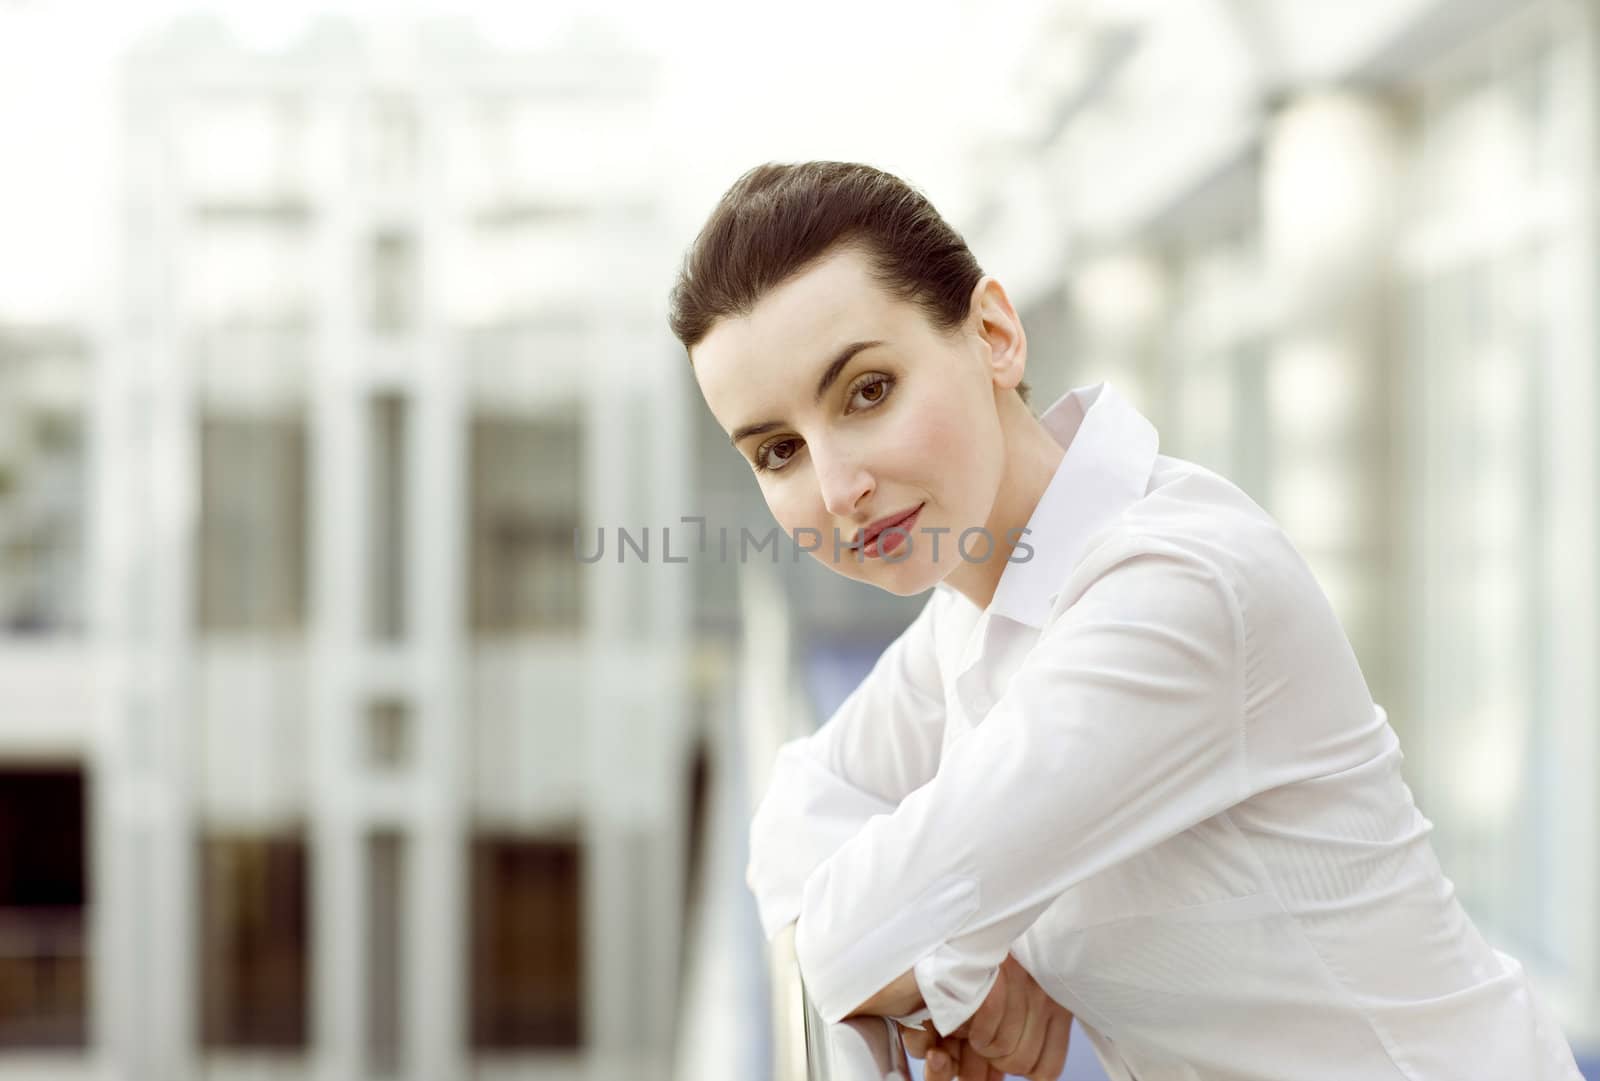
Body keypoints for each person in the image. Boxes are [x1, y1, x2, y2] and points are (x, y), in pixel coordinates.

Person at [667, 161, 1585, 1081]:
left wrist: (950, 964)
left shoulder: (1172, 590)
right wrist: (969, 971)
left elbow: (849, 940)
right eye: (779, 449)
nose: (838, 488)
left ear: (994, 334)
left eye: (867, 391)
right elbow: (798, 804)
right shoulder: (983, 594)